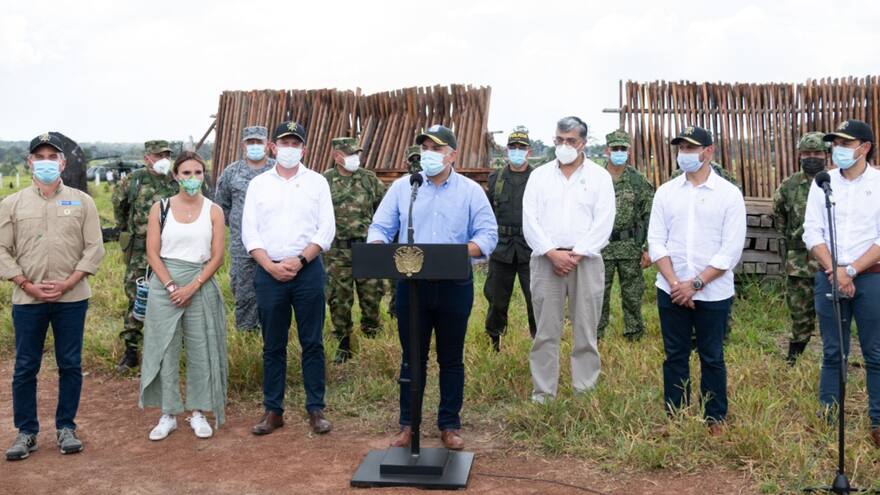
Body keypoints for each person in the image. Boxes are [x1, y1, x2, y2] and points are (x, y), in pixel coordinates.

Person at [368, 124, 497, 450]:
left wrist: (455, 253)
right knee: (413, 358)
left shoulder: (470, 191)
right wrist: (379, 246)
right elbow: (380, 227)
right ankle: (407, 426)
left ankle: (449, 424)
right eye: (425, 147)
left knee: (451, 358)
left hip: (455, 285)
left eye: (437, 149)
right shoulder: (403, 188)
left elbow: (487, 236)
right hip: (412, 287)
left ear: (452, 155)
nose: (429, 154)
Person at [1, 132, 105, 460]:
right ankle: (27, 432)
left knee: (70, 364)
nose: (46, 162)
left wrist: (69, 282)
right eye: (39, 157)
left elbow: (94, 248)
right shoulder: (12, 203)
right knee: (26, 366)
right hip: (28, 299)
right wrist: (25, 283)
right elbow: (2, 249)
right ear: (29, 162)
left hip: (71, 299)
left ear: (63, 162)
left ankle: (66, 428)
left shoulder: (82, 201)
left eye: (52, 157)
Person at [647, 125, 746, 435]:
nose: (685, 154)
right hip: (671, 289)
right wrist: (676, 283)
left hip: (713, 292)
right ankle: (675, 414)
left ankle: (714, 417)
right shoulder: (666, 192)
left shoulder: (728, 195)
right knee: (674, 354)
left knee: (712, 355)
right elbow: (656, 242)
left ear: (709, 151)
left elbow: (730, 249)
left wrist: (697, 283)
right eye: (681, 149)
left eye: (691, 148)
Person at [242, 121, 335, 436]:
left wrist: (300, 259)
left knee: (312, 342)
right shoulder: (259, 184)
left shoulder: (317, 182)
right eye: (284, 143)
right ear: (272, 147)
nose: (289, 149)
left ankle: (315, 409)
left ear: (304, 149)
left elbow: (326, 229)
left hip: (307, 270)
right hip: (268, 272)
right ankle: (273, 410)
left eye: (295, 143)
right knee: (273, 345)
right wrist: (269, 265)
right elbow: (249, 230)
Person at [523, 116, 616, 403]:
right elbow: (530, 219)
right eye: (559, 140)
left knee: (585, 329)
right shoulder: (539, 176)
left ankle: (584, 391)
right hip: (545, 260)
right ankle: (543, 394)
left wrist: (577, 253)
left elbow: (604, 221)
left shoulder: (599, 177)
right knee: (545, 331)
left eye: (571, 141)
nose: (564, 145)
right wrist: (551, 252)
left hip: (585, 260)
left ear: (583, 143)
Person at [139, 152, 228, 441]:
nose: (192, 179)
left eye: (198, 173)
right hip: (165, 284)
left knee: (201, 348)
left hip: (200, 282)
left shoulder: (213, 210)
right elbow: (152, 252)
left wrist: (193, 286)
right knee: (165, 349)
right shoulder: (160, 208)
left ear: (205, 176)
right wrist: (171, 287)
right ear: (176, 176)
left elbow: (217, 256)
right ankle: (168, 413)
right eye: (186, 173)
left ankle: (199, 411)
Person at [802, 119, 880, 446]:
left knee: (875, 352)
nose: (838, 150)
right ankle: (829, 415)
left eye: (846, 144)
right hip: (829, 276)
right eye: (836, 143)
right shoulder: (823, 182)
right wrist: (835, 269)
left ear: (864, 148)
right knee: (834, 351)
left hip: (871, 279)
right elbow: (812, 231)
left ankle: (877, 421)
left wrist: (852, 271)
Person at [112, 140, 180, 372]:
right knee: (137, 296)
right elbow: (119, 208)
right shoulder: (133, 181)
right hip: (140, 251)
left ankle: (164, 352)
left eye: (167, 155)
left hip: (171, 250)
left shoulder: (176, 181)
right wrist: (129, 231)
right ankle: (131, 350)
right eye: (158, 154)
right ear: (147, 158)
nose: (163, 159)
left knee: (171, 297)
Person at [324, 137, 386, 363]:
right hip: (337, 252)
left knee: (372, 296)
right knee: (339, 299)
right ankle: (343, 344)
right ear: (336, 156)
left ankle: (372, 336)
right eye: (349, 154)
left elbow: (385, 208)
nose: (354, 158)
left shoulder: (368, 179)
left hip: (366, 248)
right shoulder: (325, 181)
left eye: (356, 153)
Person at [772, 132, 829, 364]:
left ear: (826, 155)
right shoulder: (790, 185)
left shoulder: (834, 181)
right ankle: (793, 360)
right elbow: (779, 216)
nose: (812, 157)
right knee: (799, 314)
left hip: (830, 262)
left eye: (817, 153)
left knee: (832, 315)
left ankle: (834, 358)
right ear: (799, 155)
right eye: (807, 153)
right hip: (799, 263)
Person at [214, 126, 275, 332]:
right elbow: (222, 206)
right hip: (242, 246)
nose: (255, 146)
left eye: (259, 142)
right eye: (251, 142)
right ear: (244, 145)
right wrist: (241, 226)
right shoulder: (232, 172)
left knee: (274, 291)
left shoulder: (277, 170)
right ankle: (247, 333)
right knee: (243, 291)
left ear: (267, 145)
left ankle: (272, 329)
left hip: (273, 244)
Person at [597, 130, 654, 341]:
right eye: (615, 149)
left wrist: (648, 247)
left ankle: (634, 334)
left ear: (628, 151)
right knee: (598, 294)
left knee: (632, 294)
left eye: (623, 149)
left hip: (629, 246)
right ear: (607, 150)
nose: (619, 152)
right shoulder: (595, 178)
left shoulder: (638, 181)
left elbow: (649, 214)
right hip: (601, 246)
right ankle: (596, 334)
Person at [484, 126, 537, 351]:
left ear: (529, 151)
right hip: (501, 249)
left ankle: (540, 342)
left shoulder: (539, 178)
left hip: (530, 249)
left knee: (536, 301)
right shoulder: (495, 179)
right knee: (496, 301)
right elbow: (487, 215)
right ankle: (494, 341)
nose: (517, 151)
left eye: (521, 148)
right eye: (513, 147)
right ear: (507, 150)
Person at [387, 146, 422, 319]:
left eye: (419, 159)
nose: (416, 163)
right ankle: (396, 312)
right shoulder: (400, 185)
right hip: (401, 242)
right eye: (412, 160)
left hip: (423, 242)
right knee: (399, 282)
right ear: (406, 162)